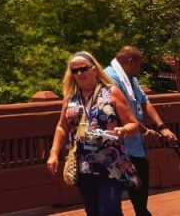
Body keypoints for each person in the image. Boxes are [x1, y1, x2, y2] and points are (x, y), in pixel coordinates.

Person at [46, 52, 141, 216]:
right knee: (93, 211)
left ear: (94, 70)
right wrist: (54, 153)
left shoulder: (111, 92)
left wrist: (123, 130)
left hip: (110, 163)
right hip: (84, 164)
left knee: (109, 210)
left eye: (83, 69)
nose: (80, 74)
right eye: (75, 71)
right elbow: (62, 127)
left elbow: (133, 124)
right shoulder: (70, 98)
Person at [104, 46, 177, 216]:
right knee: (114, 197)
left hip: (135, 146)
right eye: (139, 64)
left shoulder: (131, 78)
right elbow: (124, 115)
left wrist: (161, 126)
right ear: (131, 61)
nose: (140, 68)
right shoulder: (110, 78)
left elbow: (145, 102)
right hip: (117, 148)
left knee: (140, 191)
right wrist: (146, 131)